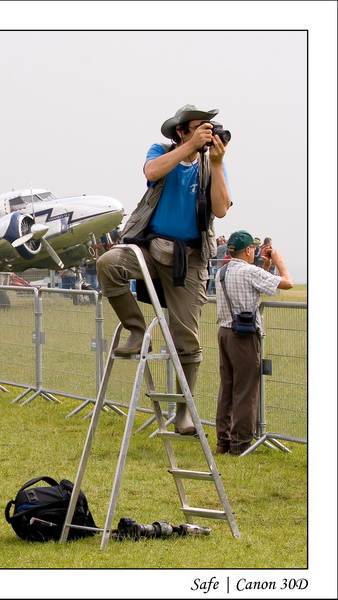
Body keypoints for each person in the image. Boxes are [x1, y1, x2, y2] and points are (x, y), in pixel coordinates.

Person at [96, 104, 231, 435]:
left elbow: (221, 209)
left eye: (211, 128)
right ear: (182, 131)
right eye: (202, 128)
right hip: (149, 247)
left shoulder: (211, 164)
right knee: (108, 264)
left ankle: (183, 412)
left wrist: (216, 162)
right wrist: (187, 148)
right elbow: (152, 172)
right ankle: (137, 329)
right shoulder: (163, 150)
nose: (208, 133)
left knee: (188, 340)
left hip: (191, 258)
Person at [215, 231, 292, 456]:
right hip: (244, 336)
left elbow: (259, 287)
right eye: (254, 249)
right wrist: (279, 262)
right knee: (246, 389)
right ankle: (240, 444)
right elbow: (286, 283)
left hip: (225, 332)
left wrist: (265, 266)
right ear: (248, 250)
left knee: (227, 388)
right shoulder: (249, 271)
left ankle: (224, 440)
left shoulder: (222, 271)